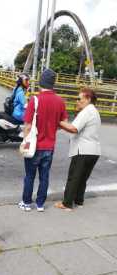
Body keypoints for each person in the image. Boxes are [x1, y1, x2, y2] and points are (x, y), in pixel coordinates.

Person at [19, 68, 68, 212]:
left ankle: (26, 203)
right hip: (50, 147)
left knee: (29, 176)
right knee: (44, 177)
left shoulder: (35, 100)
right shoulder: (60, 101)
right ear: (53, 84)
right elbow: (63, 122)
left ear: (41, 82)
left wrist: (24, 142)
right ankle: (40, 204)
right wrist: (52, 127)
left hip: (35, 146)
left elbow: (27, 126)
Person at [55, 88, 101, 211]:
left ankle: (67, 203)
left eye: (79, 99)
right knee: (82, 178)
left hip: (83, 150)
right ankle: (79, 200)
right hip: (93, 151)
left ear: (88, 99)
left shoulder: (87, 111)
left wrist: (57, 121)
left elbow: (74, 128)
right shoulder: (94, 111)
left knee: (74, 177)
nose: (77, 101)